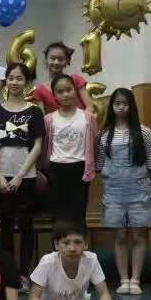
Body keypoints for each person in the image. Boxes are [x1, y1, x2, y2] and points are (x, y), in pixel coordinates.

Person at [96, 87, 151, 296]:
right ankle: (123, 278)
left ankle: (135, 279)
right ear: (112, 106)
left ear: (132, 106)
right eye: (117, 103)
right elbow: (100, 164)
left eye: (125, 103)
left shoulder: (144, 132)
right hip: (114, 190)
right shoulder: (104, 135)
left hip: (138, 188)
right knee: (120, 235)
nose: (121, 107)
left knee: (139, 234)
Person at [0, 63, 44, 287]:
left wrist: (20, 175)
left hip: (26, 178)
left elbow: (38, 146)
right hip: (1, 177)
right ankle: (9, 274)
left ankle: (24, 274)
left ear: (27, 83)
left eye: (19, 78)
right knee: (6, 227)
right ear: (6, 81)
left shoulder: (34, 111)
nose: (14, 82)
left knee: (26, 226)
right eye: (10, 78)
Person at [19, 220, 128, 300]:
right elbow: (33, 299)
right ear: (56, 245)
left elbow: (105, 295)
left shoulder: (91, 259)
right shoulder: (47, 262)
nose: (72, 248)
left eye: (77, 242)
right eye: (66, 243)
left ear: (85, 244)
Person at [43, 74, 96, 226]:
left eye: (69, 90)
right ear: (54, 95)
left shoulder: (88, 117)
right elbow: (45, 145)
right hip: (56, 169)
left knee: (78, 214)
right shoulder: (49, 119)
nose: (65, 94)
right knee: (58, 215)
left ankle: (79, 241)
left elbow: (94, 142)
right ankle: (59, 242)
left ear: (75, 90)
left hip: (80, 169)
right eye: (60, 91)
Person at [31, 42, 93, 114]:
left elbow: (90, 107)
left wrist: (84, 119)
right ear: (46, 60)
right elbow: (42, 117)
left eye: (60, 59)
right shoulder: (40, 91)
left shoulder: (76, 80)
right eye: (53, 58)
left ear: (67, 61)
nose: (56, 62)